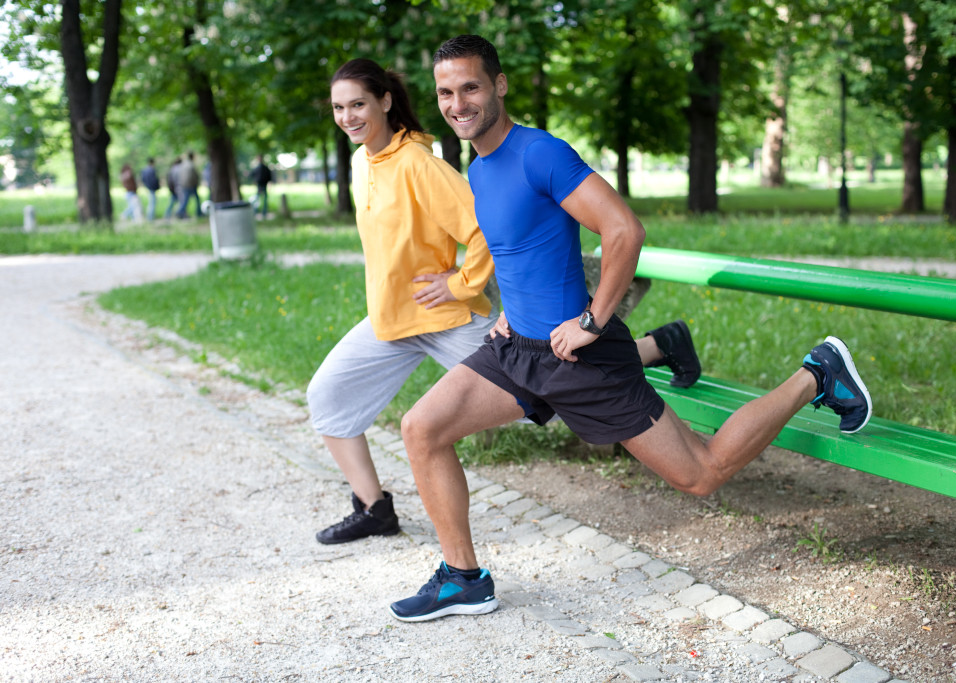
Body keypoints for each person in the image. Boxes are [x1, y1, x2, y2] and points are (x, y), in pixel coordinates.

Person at [387, 34, 872, 623]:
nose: (458, 103)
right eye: (446, 92)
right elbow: (519, 246)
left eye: (470, 87)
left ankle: (815, 373)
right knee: (422, 429)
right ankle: (464, 579)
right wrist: (511, 311)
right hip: (517, 351)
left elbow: (623, 230)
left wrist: (593, 322)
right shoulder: (479, 165)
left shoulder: (540, 153)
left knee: (702, 472)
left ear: (499, 86)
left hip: (579, 358)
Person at [308, 58, 697, 549]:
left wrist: (460, 284)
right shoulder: (362, 160)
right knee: (329, 397)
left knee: (550, 395)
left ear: (385, 101)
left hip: (448, 316)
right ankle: (373, 507)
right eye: (340, 108)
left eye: (358, 104)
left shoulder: (422, 164)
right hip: (391, 317)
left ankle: (656, 346)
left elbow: (489, 229)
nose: (348, 116)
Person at [176, 152, 203, 219]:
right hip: (190, 185)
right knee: (192, 199)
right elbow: (194, 176)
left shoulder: (183, 164)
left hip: (184, 185)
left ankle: (180, 212)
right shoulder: (191, 165)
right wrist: (196, 183)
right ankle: (180, 212)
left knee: (186, 200)